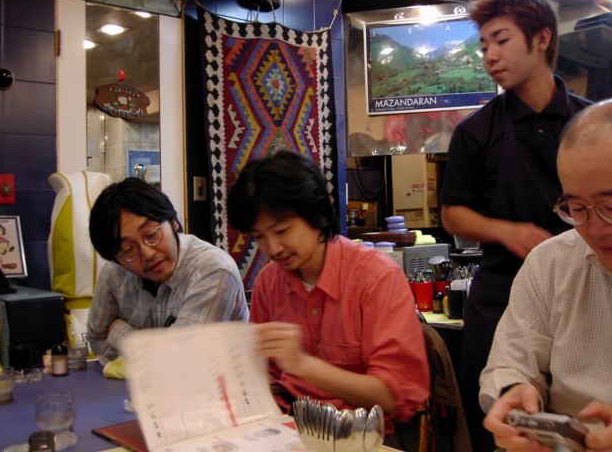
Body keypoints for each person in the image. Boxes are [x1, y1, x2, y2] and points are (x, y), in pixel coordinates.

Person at [438, 0, 591, 449]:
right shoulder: (475, 131)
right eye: (484, 45)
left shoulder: (590, 124)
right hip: (500, 296)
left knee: (583, 420)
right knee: (503, 426)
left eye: (501, 40)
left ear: (541, 38)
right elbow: (452, 214)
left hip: (585, 292)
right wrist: (508, 231)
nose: (489, 55)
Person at [227, 149, 430, 439]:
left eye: (282, 230)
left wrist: (302, 365)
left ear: (317, 214)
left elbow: (392, 397)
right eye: (259, 237)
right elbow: (262, 374)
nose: (272, 249)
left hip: (361, 436)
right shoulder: (268, 282)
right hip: (288, 428)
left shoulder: (377, 278)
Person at [480, 98, 612, 451]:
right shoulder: (551, 262)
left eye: (610, 206)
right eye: (577, 208)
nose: (595, 229)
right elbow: (510, 363)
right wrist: (515, 392)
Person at [87, 177, 248, 362]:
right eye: (127, 249)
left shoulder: (213, 270)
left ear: (173, 222)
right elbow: (96, 338)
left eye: (151, 234)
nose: (147, 253)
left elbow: (180, 361)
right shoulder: (114, 273)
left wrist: (118, 332)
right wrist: (152, 358)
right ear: (116, 258)